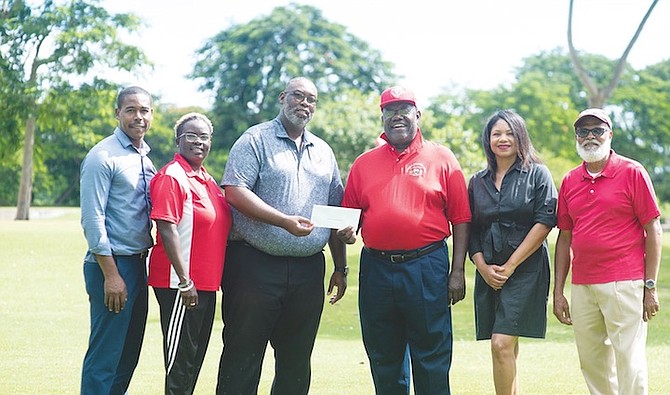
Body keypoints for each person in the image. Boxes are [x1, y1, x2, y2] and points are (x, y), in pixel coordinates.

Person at [216, 77, 348, 395]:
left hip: (307, 270)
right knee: (243, 354)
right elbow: (234, 191)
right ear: (282, 97)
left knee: (296, 361)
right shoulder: (255, 139)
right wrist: (283, 221)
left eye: (311, 99)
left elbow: (334, 210)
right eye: (298, 96)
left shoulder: (323, 151)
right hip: (253, 264)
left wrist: (341, 267)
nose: (304, 103)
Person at [339, 86, 471, 394]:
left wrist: (458, 271)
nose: (397, 116)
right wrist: (347, 232)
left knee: (431, 354)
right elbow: (350, 219)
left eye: (404, 109)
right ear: (383, 117)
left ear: (417, 115)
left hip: (426, 265)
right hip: (377, 268)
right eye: (390, 110)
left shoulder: (442, 158)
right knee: (384, 354)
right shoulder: (364, 163)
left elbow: (462, 219)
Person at [553, 108, 663, 395]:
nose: (590, 136)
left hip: (625, 282)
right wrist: (557, 291)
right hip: (583, 285)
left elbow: (654, 230)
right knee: (592, 363)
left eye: (597, 130)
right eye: (583, 131)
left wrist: (650, 286)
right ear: (576, 137)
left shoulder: (632, 171)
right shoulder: (569, 181)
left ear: (609, 134)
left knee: (629, 360)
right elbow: (564, 238)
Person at [468, 110, 557, 395]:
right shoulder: (477, 181)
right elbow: (471, 229)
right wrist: (482, 267)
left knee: (501, 343)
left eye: (509, 133)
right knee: (506, 347)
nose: (503, 139)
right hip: (489, 271)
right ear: (488, 140)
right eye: (496, 134)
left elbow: (545, 221)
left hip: (526, 271)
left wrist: (510, 265)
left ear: (521, 137)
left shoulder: (538, 174)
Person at [147, 112, 232, 394]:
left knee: (193, 361)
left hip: (205, 286)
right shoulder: (173, 177)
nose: (198, 141)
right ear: (178, 140)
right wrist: (184, 280)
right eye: (191, 136)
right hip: (181, 286)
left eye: (204, 136)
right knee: (179, 365)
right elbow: (166, 227)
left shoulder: (206, 180)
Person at [79, 86, 156, 394]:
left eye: (144, 110)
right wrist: (112, 276)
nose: (139, 116)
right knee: (105, 355)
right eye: (131, 110)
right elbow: (92, 220)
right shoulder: (103, 156)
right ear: (118, 113)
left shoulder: (144, 158)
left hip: (138, 265)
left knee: (128, 353)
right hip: (112, 267)